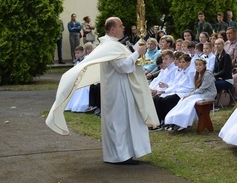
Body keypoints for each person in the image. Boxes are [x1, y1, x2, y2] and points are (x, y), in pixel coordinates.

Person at [46, 16, 159, 165]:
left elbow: (125, 61)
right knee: (118, 123)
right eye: (121, 25)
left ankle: (124, 154)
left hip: (120, 89)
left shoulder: (113, 44)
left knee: (122, 122)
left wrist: (136, 51)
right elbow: (123, 66)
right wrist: (138, 52)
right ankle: (120, 156)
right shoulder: (110, 46)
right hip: (117, 91)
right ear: (113, 29)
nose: (123, 27)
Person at [164, 57, 217, 131]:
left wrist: (191, 94)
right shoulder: (197, 74)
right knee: (183, 100)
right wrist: (190, 94)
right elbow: (195, 88)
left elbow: (202, 89)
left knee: (189, 101)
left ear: (204, 66)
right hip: (200, 93)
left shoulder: (207, 74)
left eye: (200, 65)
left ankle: (183, 123)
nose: (198, 67)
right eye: (196, 65)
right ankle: (175, 120)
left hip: (208, 94)